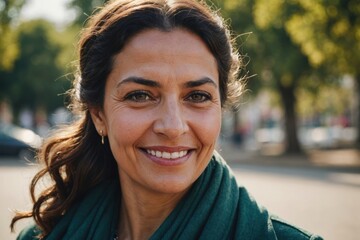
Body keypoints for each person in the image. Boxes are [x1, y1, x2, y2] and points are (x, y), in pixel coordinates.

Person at [11, 0, 323, 239]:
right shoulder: (46, 234)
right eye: (140, 96)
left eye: (197, 96)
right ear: (98, 115)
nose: (173, 127)